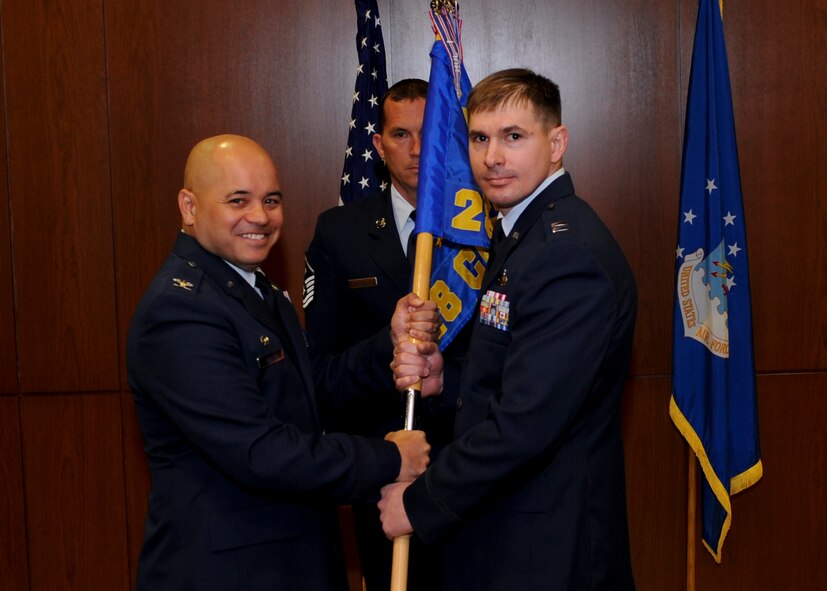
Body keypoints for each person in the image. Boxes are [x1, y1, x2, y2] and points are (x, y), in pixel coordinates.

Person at [127, 134, 436, 591]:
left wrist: (387, 345)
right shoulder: (180, 311)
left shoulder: (256, 290)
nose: (260, 217)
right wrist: (390, 458)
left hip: (287, 559)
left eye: (271, 200)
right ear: (189, 207)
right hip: (230, 573)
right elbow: (260, 452)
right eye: (238, 200)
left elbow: (313, 388)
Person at [379, 69, 638, 590]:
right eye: (480, 138)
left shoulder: (565, 254)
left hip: (545, 548)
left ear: (557, 143)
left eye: (513, 137)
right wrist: (443, 378)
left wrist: (420, 502)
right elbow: (512, 370)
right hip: (510, 533)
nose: (492, 157)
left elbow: (525, 424)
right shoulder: (526, 233)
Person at [303, 78, 450, 590]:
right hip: (381, 471)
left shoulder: (483, 228)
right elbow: (318, 377)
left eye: (427, 134)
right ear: (378, 143)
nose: (415, 150)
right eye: (400, 134)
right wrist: (385, 347)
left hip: (471, 474)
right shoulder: (338, 233)